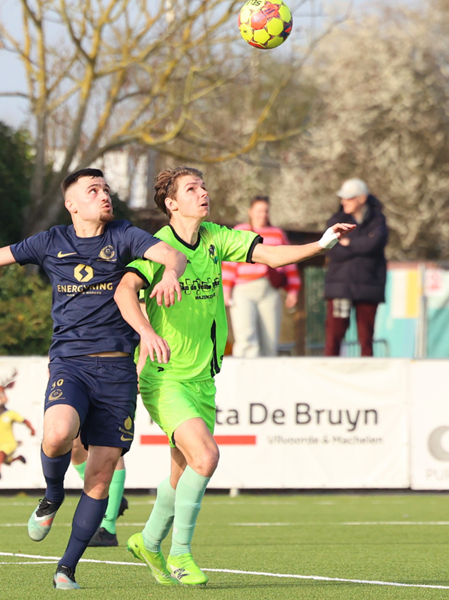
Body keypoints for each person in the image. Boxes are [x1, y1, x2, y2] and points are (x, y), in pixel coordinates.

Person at [0, 168, 186, 589]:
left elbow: (172, 255)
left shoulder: (124, 234)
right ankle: (53, 494)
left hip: (117, 370)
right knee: (57, 435)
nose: (104, 196)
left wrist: (169, 272)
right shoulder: (51, 241)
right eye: (93, 191)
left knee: (101, 473)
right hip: (70, 363)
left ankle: (67, 567)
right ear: (72, 204)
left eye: (106, 190)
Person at [114, 166, 354, 586]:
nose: (203, 193)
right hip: (164, 378)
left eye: (203, 186)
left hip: (202, 381)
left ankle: (148, 542)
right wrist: (146, 332)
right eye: (192, 189)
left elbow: (270, 255)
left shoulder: (215, 238)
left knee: (181, 472)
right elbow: (123, 291)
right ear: (171, 203)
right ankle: (181, 555)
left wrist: (320, 244)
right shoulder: (157, 248)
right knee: (206, 457)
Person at [222, 196, 301, 357]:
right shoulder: (241, 230)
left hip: (268, 290)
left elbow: (288, 263)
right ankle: (244, 376)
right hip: (243, 290)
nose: (262, 215)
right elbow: (230, 263)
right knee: (246, 337)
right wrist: (226, 289)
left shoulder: (277, 234)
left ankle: (267, 379)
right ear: (250, 212)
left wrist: (293, 289)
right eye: (259, 211)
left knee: (270, 340)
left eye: (265, 211)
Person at [323, 178, 388, 357]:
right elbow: (331, 249)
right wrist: (360, 245)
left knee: (366, 338)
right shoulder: (336, 220)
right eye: (343, 198)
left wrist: (347, 243)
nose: (344, 201)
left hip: (368, 287)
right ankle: (329, 372)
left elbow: (375, 243)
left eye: (349, 198)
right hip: (340, 288)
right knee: (334, 335)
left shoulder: (378, 220)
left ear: (361, 198)